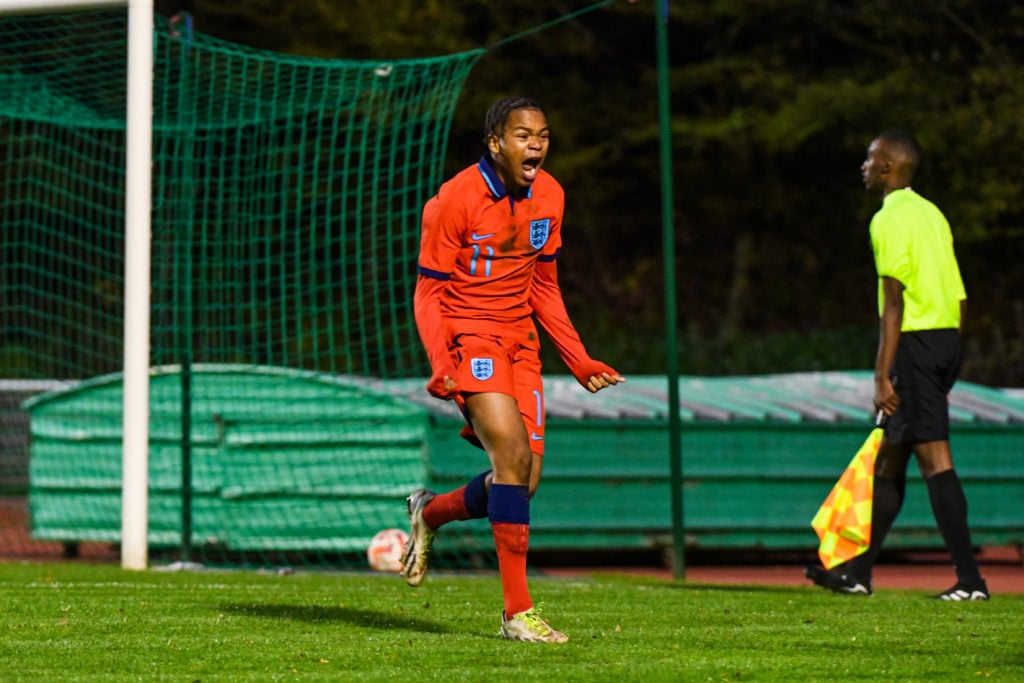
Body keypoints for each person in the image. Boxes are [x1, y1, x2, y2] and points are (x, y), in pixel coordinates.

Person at [400, 96, 625, 642]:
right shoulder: (453, 201)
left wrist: (579, 358)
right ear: (496, 143)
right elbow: (429, 293)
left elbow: (544, 286)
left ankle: (429, 514)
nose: (537, 145)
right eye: (524, 135)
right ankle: (516, 613)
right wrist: (441, 361)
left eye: (543, 135)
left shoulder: (550, 196)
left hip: (520, 343)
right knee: (512, 455)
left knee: (522, 482)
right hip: (469, 335)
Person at [806, 129, 988, 601]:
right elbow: (961, 296)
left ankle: (971, 582)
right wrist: (946, 355)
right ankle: (857, 573)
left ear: (888, 168)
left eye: (870, 160)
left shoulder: (888, 220)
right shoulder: (932, 214)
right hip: (947, 337)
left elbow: (893, 303)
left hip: (916, 343)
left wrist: (882, 374)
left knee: (933, 456)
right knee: (891, 456)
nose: (864, 167)